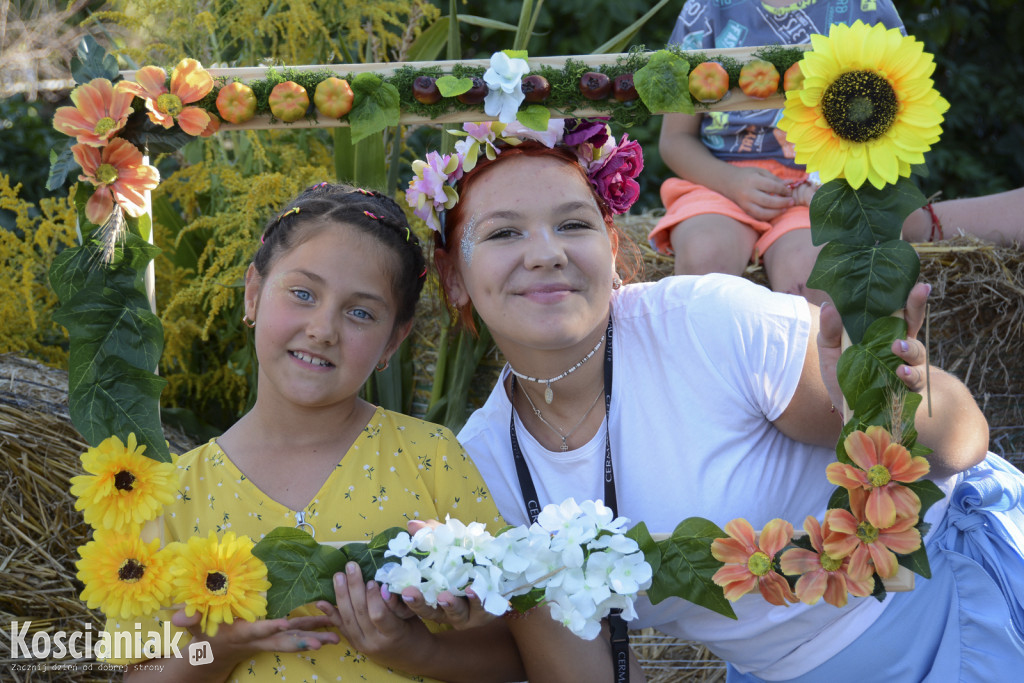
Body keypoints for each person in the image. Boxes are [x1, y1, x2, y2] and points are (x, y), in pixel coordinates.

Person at [407, 120, 1024, 680]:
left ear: (614, 248)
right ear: (454, 277)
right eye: (503, 232)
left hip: (959, 607)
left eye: (573, 224)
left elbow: (959, 445)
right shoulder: (483, 467)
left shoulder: (701, 324)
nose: (546, 252)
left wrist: (879, 396)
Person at [110, 183, 524, 682]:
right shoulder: (167, 497)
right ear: (254, 293)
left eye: (360, 312)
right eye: (303, 293)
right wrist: (219, 650)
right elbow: (135, 672)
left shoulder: (431, 459)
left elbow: (514, 651)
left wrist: (415, 651)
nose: (323, 328)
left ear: (394, 339)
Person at [652, 0, 1023, 306]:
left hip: (823, 190)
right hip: (717, 183)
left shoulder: (868, 10)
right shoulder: (707, 10)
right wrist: (730, 183)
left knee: (814, 273)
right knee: (704, 256)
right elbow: (674, 140)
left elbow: (892, 129)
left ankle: (806, 392)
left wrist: (834, 187)